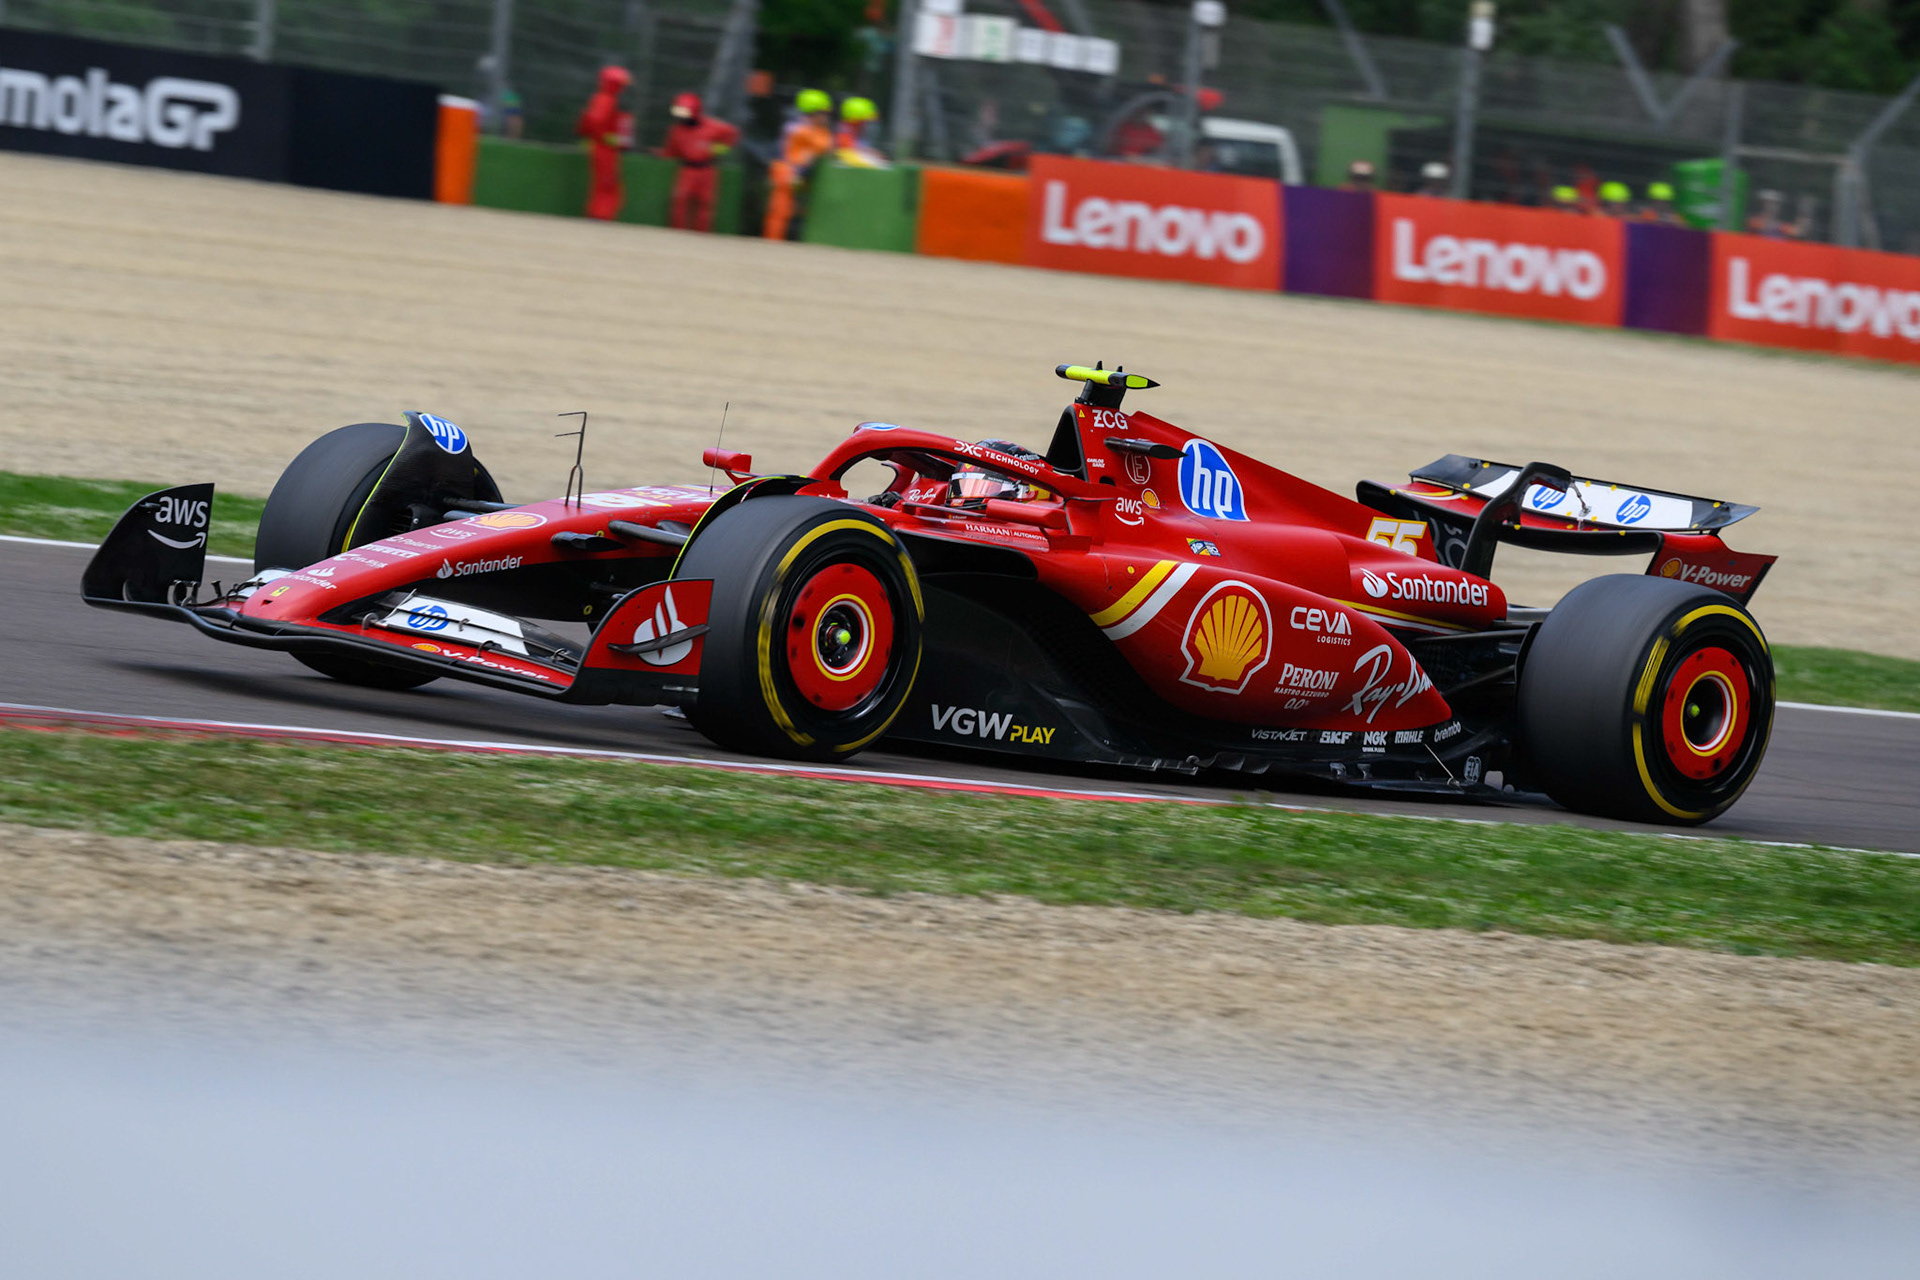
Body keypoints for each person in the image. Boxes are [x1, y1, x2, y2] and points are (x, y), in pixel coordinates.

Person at [659, 92, 739, 232]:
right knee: (680, 202)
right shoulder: (677, 130)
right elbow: (670, 151)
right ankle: (676, 233)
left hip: (707, 169)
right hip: (687, 169)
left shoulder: (713, 126)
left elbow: (732, 134)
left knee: (706, 205)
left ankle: (703, 236)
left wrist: (716, 150)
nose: (682, 117)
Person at [764, 88, 834, 240]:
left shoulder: (816, 130)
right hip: (788, 172)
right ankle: (772, 244)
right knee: (780, 211)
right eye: (823, 113)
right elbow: (823, 146)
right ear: (812, 112)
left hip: (804, 174)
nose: (826, 117)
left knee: (805, 211)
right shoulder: (797, 129)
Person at [576, 65, 634, 221]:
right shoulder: (607, 100)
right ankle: (600, 215)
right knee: (607, 184)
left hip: (603, 147)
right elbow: (596, 124)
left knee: (606, 183)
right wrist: (613, 139)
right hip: (605, 149)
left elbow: (590, 123)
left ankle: (600, 214)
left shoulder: (602, 98)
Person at [833, 96, 889, 168]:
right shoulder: (842, 134)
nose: (867, 125)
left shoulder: (858, 135)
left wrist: (871, 152)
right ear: (855, 121)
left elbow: (858, 149)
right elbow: (847, 154)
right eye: (865, 121)